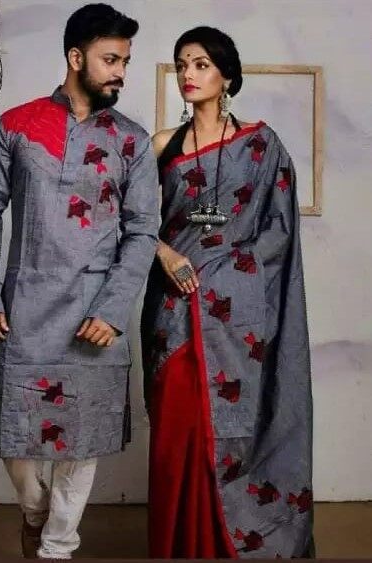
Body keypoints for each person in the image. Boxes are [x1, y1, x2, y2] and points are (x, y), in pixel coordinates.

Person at [0, 3, 159, 558]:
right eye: (111, 59)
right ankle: (35, 512)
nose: (121, 72)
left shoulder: (131, 140)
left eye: (125, 61)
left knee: (82, 440)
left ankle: (57, 546)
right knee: (18, 440)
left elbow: (143, 231)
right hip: (26, 308)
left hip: (96, 313)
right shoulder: (17, 126)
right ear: (76, 58)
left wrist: (112, 310)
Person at [141, 26, 313, 559]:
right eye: (182, 65)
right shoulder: (162, 145)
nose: (188, 75)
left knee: (233, 427)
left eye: (201, 65)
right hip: (174, 308)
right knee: (176, 430)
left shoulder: (262, 145)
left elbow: (279, 231)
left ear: (227, 76)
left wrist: (222, 271)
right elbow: (133, 222)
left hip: (236, 316)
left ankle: (228, 544)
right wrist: (165, 253)